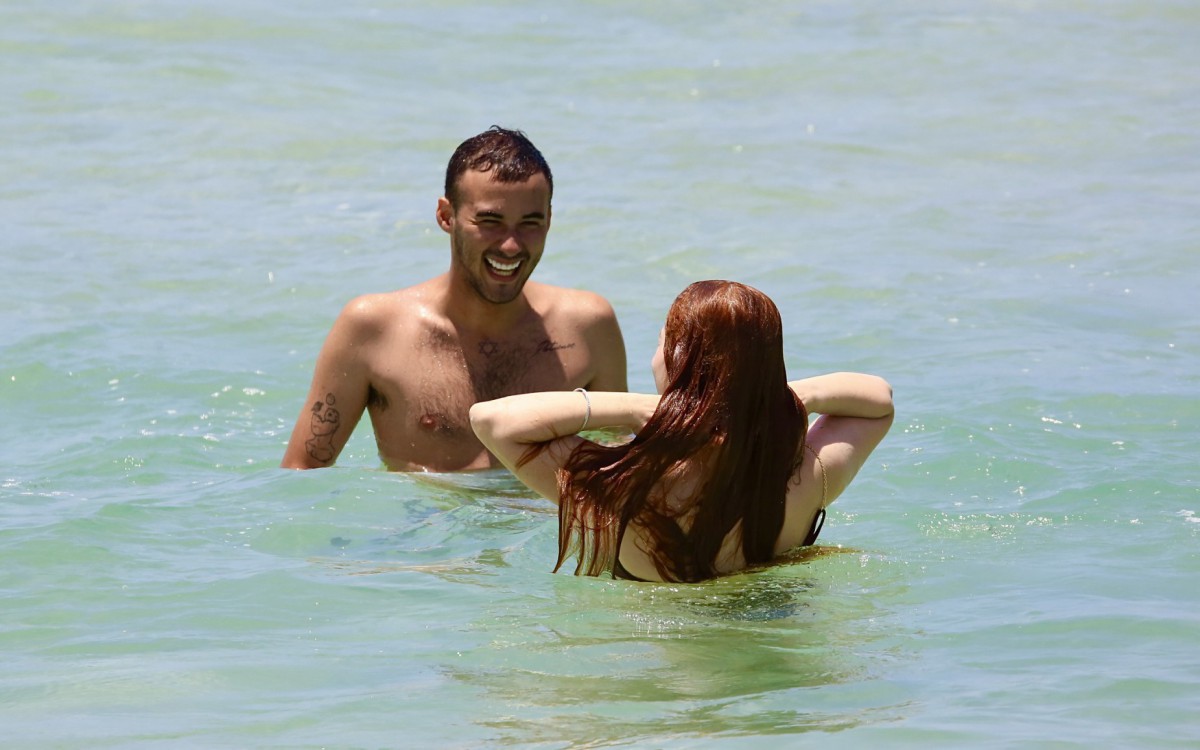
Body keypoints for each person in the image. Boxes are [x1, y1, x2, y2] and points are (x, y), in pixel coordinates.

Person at [469, 280, 894, 582]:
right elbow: (878, 401)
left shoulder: (620, 488)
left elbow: (492, 421)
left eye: (659, 342)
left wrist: (641, 408)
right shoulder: (803, 476)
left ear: (677, 358)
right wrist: (764, 400)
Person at [281, 127, 628, 472]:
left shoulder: (588, 327)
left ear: (549, 219)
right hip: (423, 507)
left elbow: (621, 467)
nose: (511, 245)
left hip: (537, 509)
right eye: (490, 221)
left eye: (530, 223)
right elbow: (301, 475)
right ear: (447, 216)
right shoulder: (373, 329)